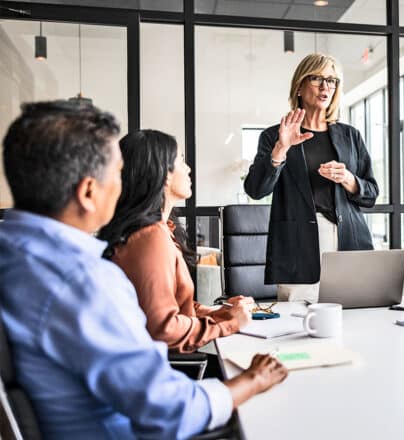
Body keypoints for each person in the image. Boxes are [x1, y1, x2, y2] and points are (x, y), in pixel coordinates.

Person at [0, 101, 287, 439]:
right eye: (117, 173)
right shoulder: (84, 282)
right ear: (89, 192)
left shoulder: (14, 254)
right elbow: (169, 411)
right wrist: (254, 380)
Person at [99, 129, 254, 354]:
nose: (188, 168)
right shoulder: (149, 238)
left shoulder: (161, 230)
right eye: (181, 160)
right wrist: (229, 324)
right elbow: (163, 329)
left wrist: (221, 312)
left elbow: (172, 307)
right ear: (164, 174)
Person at [244, 53, 379, 303]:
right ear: (300, 85)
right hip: (298, 244)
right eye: (317, 78)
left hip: (349, 240)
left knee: (355, 319)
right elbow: (255, 189)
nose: (326, 86)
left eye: (332, 80)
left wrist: (348, 179)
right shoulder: (274, 135)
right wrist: (281, 149)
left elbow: (371, 193)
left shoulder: (350, 136)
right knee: (296, 326)